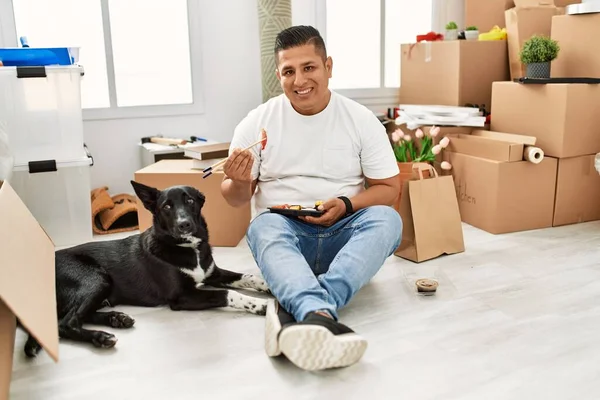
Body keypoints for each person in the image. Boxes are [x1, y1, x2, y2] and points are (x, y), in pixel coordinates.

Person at [220, 25, 402, 371]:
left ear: (328, 66)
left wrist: (347, 205)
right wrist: (239, 180)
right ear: (279, 75)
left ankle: (301, 309)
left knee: (388, 220)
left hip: (344, 233)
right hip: (286, 235)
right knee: (262, 227)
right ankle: (319, 314)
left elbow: (390, 189)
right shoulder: (257, 122)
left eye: (309, 68)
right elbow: (234, 198)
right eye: (289, 71)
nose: (299, 80)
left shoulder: (361, 120)